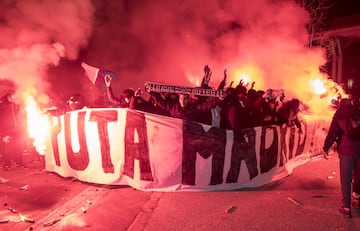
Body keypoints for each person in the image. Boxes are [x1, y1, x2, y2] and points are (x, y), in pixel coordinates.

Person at [323, 98, 360, 218]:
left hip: (345, 150)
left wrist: (326, 147)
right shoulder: (357, 113)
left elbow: (332, 133)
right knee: (358, 176)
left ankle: (346, 207)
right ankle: (357, 199)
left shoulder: (339, 115)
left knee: (346, 179)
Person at [0, 93, 24, 170]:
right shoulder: (2, 106)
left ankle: (19, 163)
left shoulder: (15, 105)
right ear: (8, 97)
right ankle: (6, 164)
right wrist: (2, 134)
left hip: (17, 129)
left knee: (18, 146)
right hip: (7, 130)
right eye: (11, 96)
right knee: (7, 148)